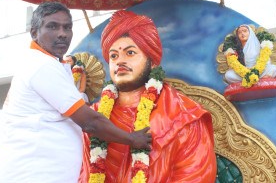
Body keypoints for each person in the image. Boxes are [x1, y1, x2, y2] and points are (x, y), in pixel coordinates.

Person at [0, 2, 152, 183]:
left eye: (67, 27)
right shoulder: (42, 66)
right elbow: (90, 122)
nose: (62, 34)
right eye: (53, 26)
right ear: (34, 33)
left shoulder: (52, 65)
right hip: (31, 174)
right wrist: (132, 139)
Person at [79, 10, 216, 182]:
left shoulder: (185, 117)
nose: (120, 61)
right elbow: (81, 174)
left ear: (152, 61)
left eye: (130, 53)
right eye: (113, 56)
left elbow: (196, 176)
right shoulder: (94, 118)